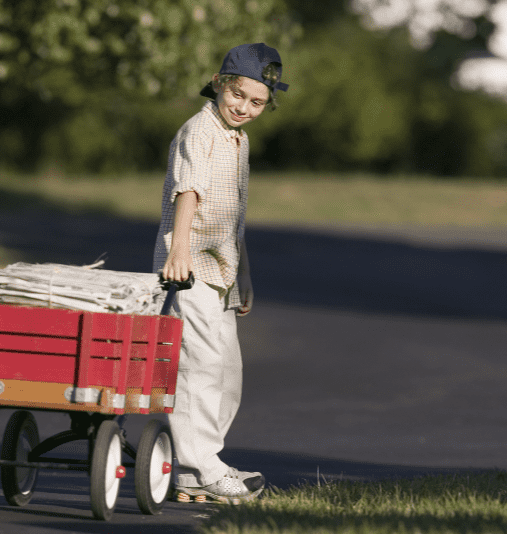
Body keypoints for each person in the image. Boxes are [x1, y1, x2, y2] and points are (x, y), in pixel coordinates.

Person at [153, 43, 289, 504]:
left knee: (228, 370)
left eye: (257, 102)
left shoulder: (238, 139)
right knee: (199, 367)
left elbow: (235, 215)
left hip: (222, 272)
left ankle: (199, 469)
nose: (245, 108)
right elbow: (187, 193)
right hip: (188, 269)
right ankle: (199, 467)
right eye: (238, 96)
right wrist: (181, 250)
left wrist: (244, 273)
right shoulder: (200, 131)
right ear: (218, 83)